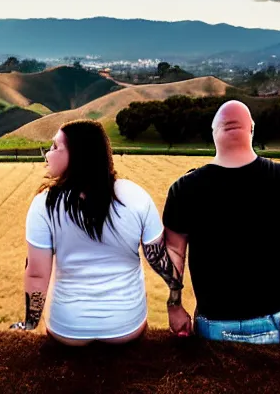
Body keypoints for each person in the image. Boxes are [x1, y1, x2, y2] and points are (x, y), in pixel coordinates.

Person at [10, 119, 184, 345]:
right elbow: (160, 260)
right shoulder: (136, 196)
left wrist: (30, 323)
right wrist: (175, 303)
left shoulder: (45, 205)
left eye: (55, 147)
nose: (47, 154)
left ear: (77, 154)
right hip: (126, 326)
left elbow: (36, 274)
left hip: (67, 330)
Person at [163, 100, 280, 344]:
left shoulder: (184, 188)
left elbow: (173, 252)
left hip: (211, 327)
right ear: (251, 130)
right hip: (272, 324)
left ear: (214, 134)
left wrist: (175, 306)